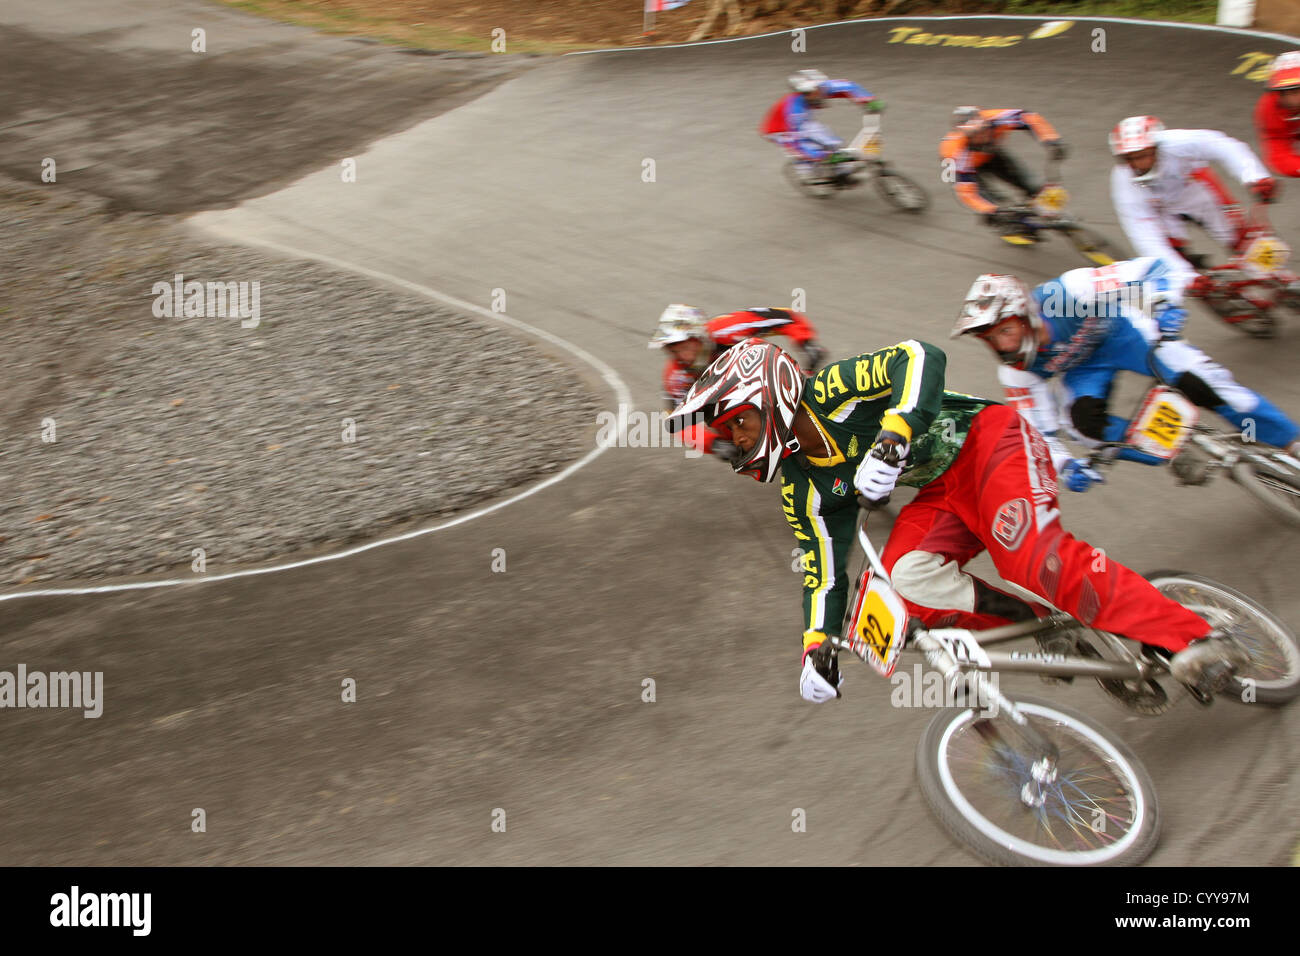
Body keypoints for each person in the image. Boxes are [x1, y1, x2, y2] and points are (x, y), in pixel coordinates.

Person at [665, 336, 1247, 703]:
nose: (736, 442)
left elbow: (920, 357)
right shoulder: (802, 486)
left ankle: (1192, 638)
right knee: (903, 585)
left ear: (773, 395)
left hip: (991, 444)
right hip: (944, 492)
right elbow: (822, 571)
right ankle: (1048, 629)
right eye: (727, 434)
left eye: (738, 423)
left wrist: (893, 438)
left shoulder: (833, 391)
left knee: (1031, 558)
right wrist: (817, 644)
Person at [950, 265, 1300, 488]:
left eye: (1004, 331)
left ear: (1026, 315)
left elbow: (1153, 269)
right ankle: (1172, 451)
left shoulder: (1069, 291)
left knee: (1204, 382)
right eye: (990, 339)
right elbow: (1041, 431)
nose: (1001, 345)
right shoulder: (1015, 372)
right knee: (1083, 427)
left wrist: (1163, 304)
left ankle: (1290, 441)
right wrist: (1067, 466)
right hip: (1083, 371)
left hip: (1123, 335)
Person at [1108, 115, 1276, 283]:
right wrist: (1184, 277)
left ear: (1157, 148)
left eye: (1143, 155)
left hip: (1195, 190)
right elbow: (1143, 234)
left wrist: (1256, 177)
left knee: (1245, 242)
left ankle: (1279, 276)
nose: (1138, 164)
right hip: (1160, 210)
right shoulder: (1123, 183)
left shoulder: (1176, 142)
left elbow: (1224, 146)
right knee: (1172, 258)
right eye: (1131, 158)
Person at [648, 303, 825, 458]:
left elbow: (785, 317)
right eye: (674, 352)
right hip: (730, 405)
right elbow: (676, 422)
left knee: (808, 390)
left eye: (685, 347)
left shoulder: (727, 328)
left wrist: (806, 342)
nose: (682, 357)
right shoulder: (676, 376)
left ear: (700, 336)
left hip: (765, 377)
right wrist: (712, 444)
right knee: (735, 439)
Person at [939, 106, 1066, 241]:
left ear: (987, 123)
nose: (982, 136)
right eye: (975, 135)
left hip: (992, 156)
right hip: (968, 169)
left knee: (1031, 184)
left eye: (983, 130)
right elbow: (965, 192)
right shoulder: (953, 152)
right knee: (992, 204)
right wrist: (990, 210)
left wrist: (1051, 140)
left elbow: (1030, 117)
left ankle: (1035, 208)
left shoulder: (995, 118)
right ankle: (1001, 223)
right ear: (965, 137)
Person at [759, 69, 881, 185]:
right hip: (779, 130)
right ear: (805, 93)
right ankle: (806, 170)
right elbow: (796, 144)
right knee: (811, 150)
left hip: (804, 121)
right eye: (815, 91)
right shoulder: (795, 112)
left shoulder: (822, 88)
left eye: (820, 87)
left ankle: (842, 173)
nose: (820, 92)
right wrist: (821, 156)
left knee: (833, 143)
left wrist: (869, 100)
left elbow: (848, 86)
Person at [1255, 51, 1300, 179]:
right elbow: (1278, 154)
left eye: (1296, 91)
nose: (1291, 100)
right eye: (1284, 92)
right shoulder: (1268, 107)